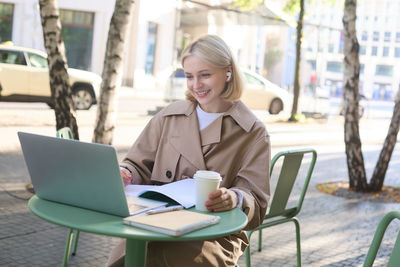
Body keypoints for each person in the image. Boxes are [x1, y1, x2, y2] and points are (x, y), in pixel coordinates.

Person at [107, 34, 270, 267]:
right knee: (123, 261)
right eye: (189, 76)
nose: (196, 85)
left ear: (228, 72)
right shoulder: (169, 116)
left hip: (213, 234)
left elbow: (256, 199)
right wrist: (126, 172)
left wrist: (234, 197)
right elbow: (137, 163)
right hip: (154, 222)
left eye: (205, 75)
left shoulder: (252, 131)